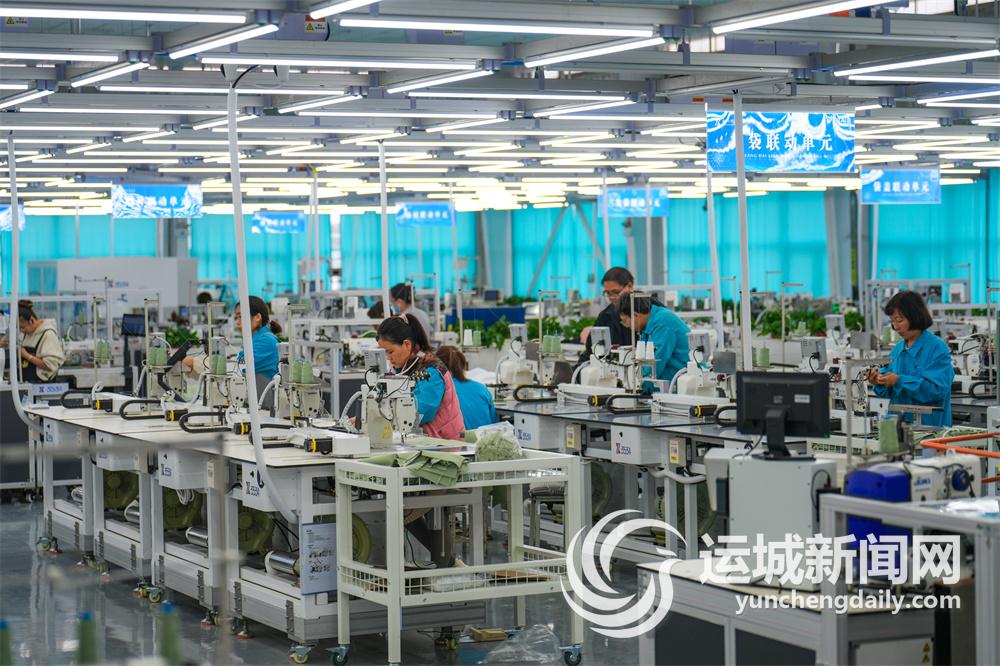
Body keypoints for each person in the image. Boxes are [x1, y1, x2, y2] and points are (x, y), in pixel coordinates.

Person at [867, 291, 953, 427]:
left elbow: (937, 389)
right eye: (892, 321)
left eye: (899, 320)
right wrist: (879, 381)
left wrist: (899, 380)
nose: (895, 326)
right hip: (898, 427)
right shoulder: (898, 349)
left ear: (915, 316)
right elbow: (888, 394)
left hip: (930, 430)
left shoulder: (936, 348)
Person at [376, 314, 463, 440]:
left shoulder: (432, 372)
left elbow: (417, 413)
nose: (388, 358)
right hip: (422, 441)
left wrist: (377, 418)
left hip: (444, 444)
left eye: (390, 351)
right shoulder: (401, 369)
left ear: (407, 344)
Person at [579, 267, 660, 363]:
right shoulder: (605, 316)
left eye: (615, 292)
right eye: (607, 293)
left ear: (629, 286)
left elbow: (660, 352)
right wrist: (579, 369)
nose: (611, 297)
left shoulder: (653, 311)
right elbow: (590, 351)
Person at [618, 294, 690, 383]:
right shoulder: (648, 326)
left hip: (684, 383)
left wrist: (637, 384)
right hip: (673, 381)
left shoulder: (663, 322)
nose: (627, 326)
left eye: (625, 321)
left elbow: (654, 362)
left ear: (635, 315)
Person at [3, 300, 66, 383]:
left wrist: (27, 355)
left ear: (31, 321)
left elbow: (50, 366)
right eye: (19, 328)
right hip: (24, 382)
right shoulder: (26, 333)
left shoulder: (48, 334)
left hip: (39, 383)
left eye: (22, 327)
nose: (21, 331)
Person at [437, 345, 497, 431]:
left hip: (456, 439)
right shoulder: (482, 389)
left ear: (437, 367)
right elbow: (494, 423)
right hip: (485, 438)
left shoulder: (440, 391)